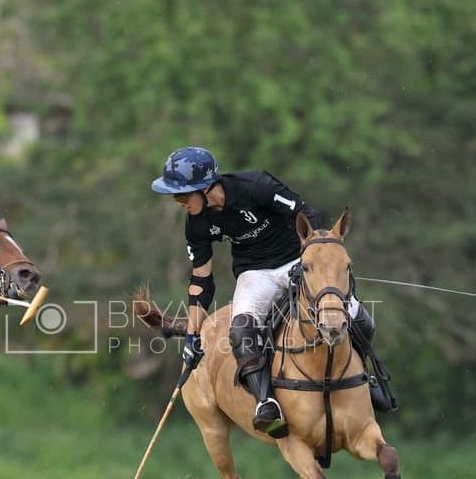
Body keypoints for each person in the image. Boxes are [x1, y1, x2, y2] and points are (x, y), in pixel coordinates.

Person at [151, 146, 394, 440]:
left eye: (181, 195)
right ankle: (266, 402)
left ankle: (366, 379)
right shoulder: (196, 224)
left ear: (205, 188)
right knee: (240, 332)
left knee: (361, 319)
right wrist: (192, 336)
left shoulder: (256, 186)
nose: (178, 203)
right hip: (255, 273)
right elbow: (201, 280)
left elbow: (307, 214)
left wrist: (310, 262)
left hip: (298, 260)